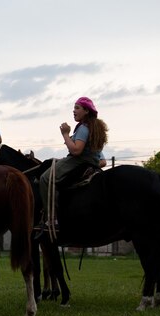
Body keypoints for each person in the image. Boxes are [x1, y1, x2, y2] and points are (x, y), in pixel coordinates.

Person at [38, 97, 108, 231]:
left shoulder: (83, 128)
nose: (74, 110)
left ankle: (51, 219)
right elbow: (102, 160)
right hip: (92, 163)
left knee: (45, 179)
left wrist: (65, 134)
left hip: (78, 161)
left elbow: (76, 150)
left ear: (86, 111)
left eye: (77, 108)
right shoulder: (95, 128)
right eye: (74, 107)